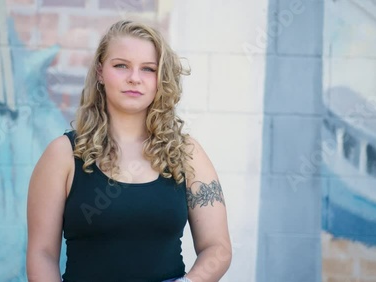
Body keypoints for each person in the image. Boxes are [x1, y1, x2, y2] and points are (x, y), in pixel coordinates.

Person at [26, 20, 231, 282]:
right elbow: (41, 253)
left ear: (160, 79)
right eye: (121, 65)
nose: (134, 77)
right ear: (100, 72)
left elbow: (218, 248)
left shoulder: (186, 153)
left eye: (148, 69)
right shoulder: (63, 154)